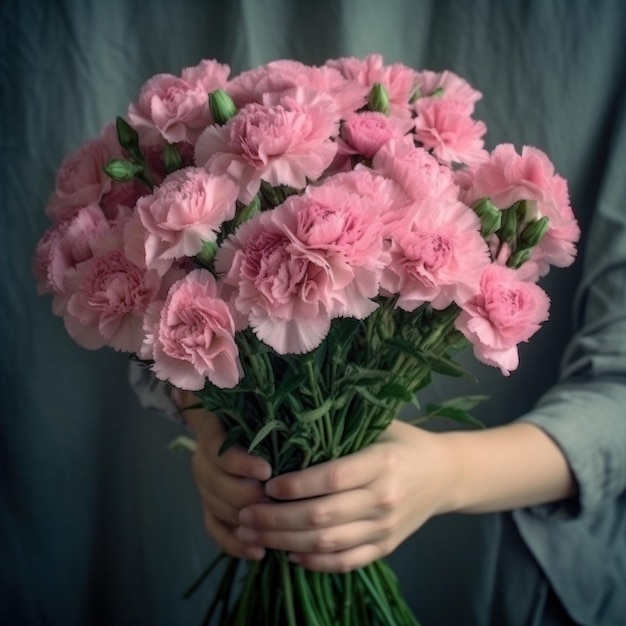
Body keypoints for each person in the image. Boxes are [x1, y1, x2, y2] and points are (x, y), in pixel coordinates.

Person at [5, 1, 625, 625]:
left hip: (527, 574)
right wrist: (211, 426)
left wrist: (449, 474)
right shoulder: (258, 228)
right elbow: (195, 319)